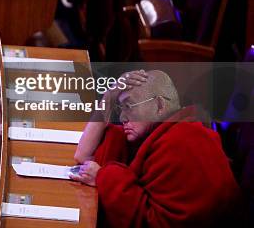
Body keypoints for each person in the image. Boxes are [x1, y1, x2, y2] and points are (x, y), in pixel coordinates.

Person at [70, 70, 243, 227]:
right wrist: (109, 97)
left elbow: (154, 223)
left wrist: (104, 177)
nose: (122, 117)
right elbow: (83, 154)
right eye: (120, 108)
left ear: (159, 106)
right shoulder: (153, 136)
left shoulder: (184, 142)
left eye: (129, 106)